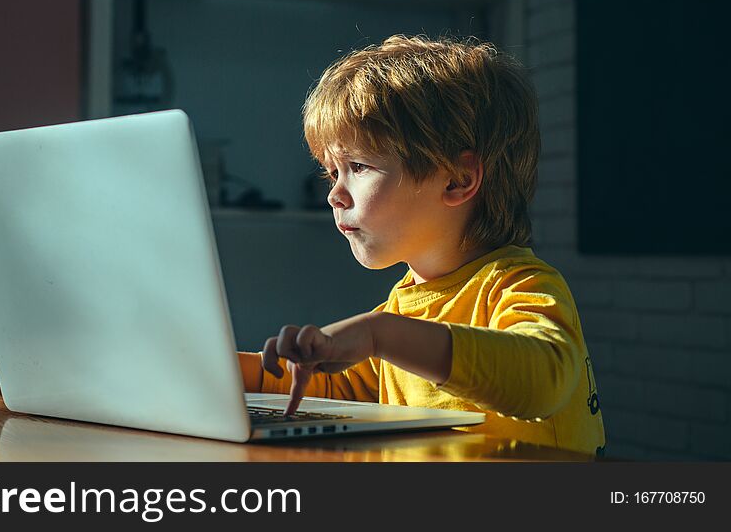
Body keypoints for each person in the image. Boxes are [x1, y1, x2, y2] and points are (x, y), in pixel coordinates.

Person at [237, 34, 605, 456]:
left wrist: (381, 335)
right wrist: (207, 367)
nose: (334, 195)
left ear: (457, 179)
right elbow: (336, 385)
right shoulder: (403, 306)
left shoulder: (519, 285)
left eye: (357, 166)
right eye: (331, 172)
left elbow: (546, 379)